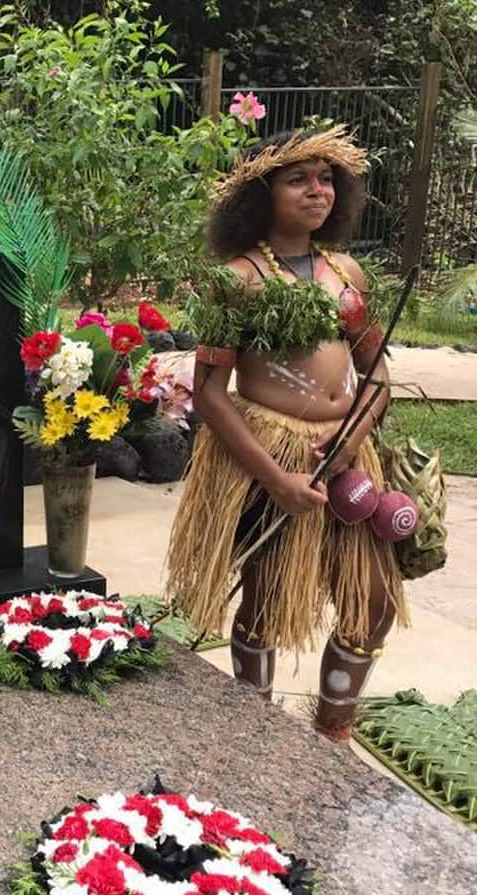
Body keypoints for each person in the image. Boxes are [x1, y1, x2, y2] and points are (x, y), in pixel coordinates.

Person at [166, 125, 407, 741]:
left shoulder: (346, 273)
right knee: (267, 603)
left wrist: (352, 438)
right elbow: (212, 395)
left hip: (345, 455)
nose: (316, 190)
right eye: (297, 179)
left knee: (373, 601)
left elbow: (377, 373)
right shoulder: (237, 279)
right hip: (274, 456)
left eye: (326, 179)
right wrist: (276, 480)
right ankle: (259, 736)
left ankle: (333, 731)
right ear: (260, 195)